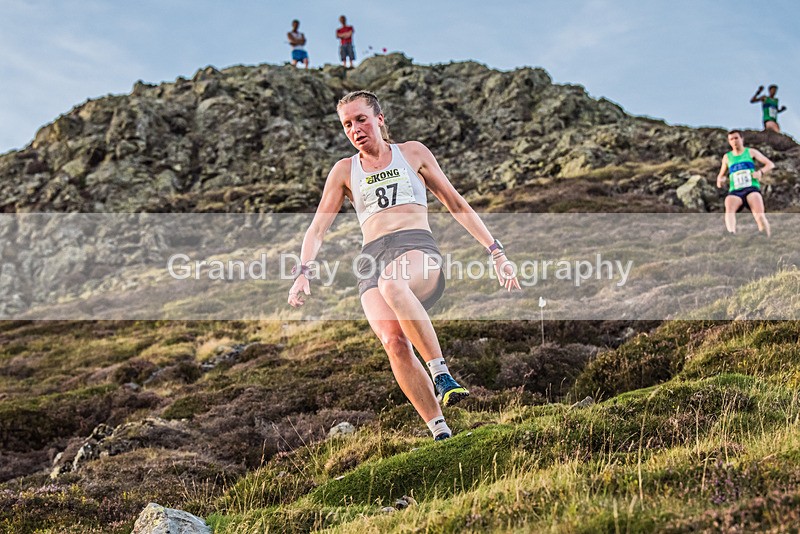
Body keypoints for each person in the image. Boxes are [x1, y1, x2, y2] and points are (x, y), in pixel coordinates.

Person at [288, 90, 520, 441]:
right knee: (394, 342)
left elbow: (455, 203)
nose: (355, 129)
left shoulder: (412, 153)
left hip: (415, 247)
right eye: (347, 124)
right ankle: (439, 431)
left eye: (361, 119)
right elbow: (318, 228)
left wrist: (496, 252)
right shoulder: (344, 171)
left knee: (393, 284)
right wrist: (303, 271)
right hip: (371, 259)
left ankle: (441, 373)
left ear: (379, 119)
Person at [716, 130, 775, 236]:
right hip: (735, 191)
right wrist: (721, 181)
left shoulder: (751, 152)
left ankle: (765, 235)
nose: (734, 141)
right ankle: (731, 233)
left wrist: (760, 172)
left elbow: (770, 164)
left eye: (736, 138)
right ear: (729, 142)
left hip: (751, 188)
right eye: (731, 139)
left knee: (759, 215)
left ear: (742, 139)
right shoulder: (727, 157)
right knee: (729, 206)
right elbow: (720, 177)